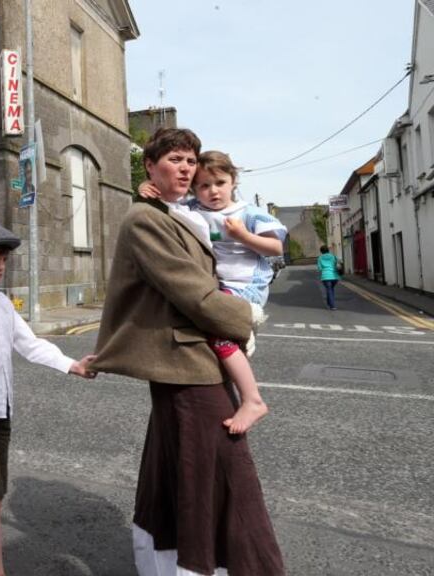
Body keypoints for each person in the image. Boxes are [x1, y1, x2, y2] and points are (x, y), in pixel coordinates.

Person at [93, 128, 285, 576]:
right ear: (150, 166)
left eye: (191, 161)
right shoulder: (145, 219)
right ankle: (210, 564)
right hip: (188, 360)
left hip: (187, 358)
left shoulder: (179, 212)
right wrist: (246, 319)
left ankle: (172, 561)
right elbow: (194, 294)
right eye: (175, 159)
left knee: (178, 468)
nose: (186, 168)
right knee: (223, 475)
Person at [0, 222, 96, 576]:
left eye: (4, 260)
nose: (0, 266)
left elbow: (30, 345)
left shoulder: (2, 302)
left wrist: (73, 365)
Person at [138, 150, 287, 434]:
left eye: (220, 182)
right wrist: (143, 187)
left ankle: (253, 399)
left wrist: (243, 236)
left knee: (218, 337)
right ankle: (239, 338)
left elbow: (276, 248)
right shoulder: (195, 209)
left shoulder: (248, 213)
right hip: (216, 285)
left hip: (246, 287)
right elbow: (166, 199)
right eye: (204, 186)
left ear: (233, 181)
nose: (213, 191)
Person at [317, 245, 340, 310]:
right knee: (331, 289)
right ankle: (329, 302)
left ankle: (332, 306)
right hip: (334, 276)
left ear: (321, 251)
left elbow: (319, 268)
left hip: (325, 277)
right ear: (328, 250)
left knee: (329, 289)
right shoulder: (333, 256)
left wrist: (324, 268)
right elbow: (336, 265)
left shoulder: (320, 258)